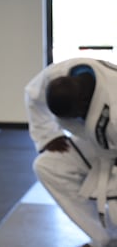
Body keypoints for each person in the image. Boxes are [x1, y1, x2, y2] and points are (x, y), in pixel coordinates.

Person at [25, 57, 117, 247]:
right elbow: (32, 96)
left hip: (111, 147)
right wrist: (48, 136)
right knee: (47, 166)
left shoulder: (114, 102)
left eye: (72, 116)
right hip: (98, 144)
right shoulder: (57, 75)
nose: (69, 123)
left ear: (84, 102)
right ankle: (102, 239)